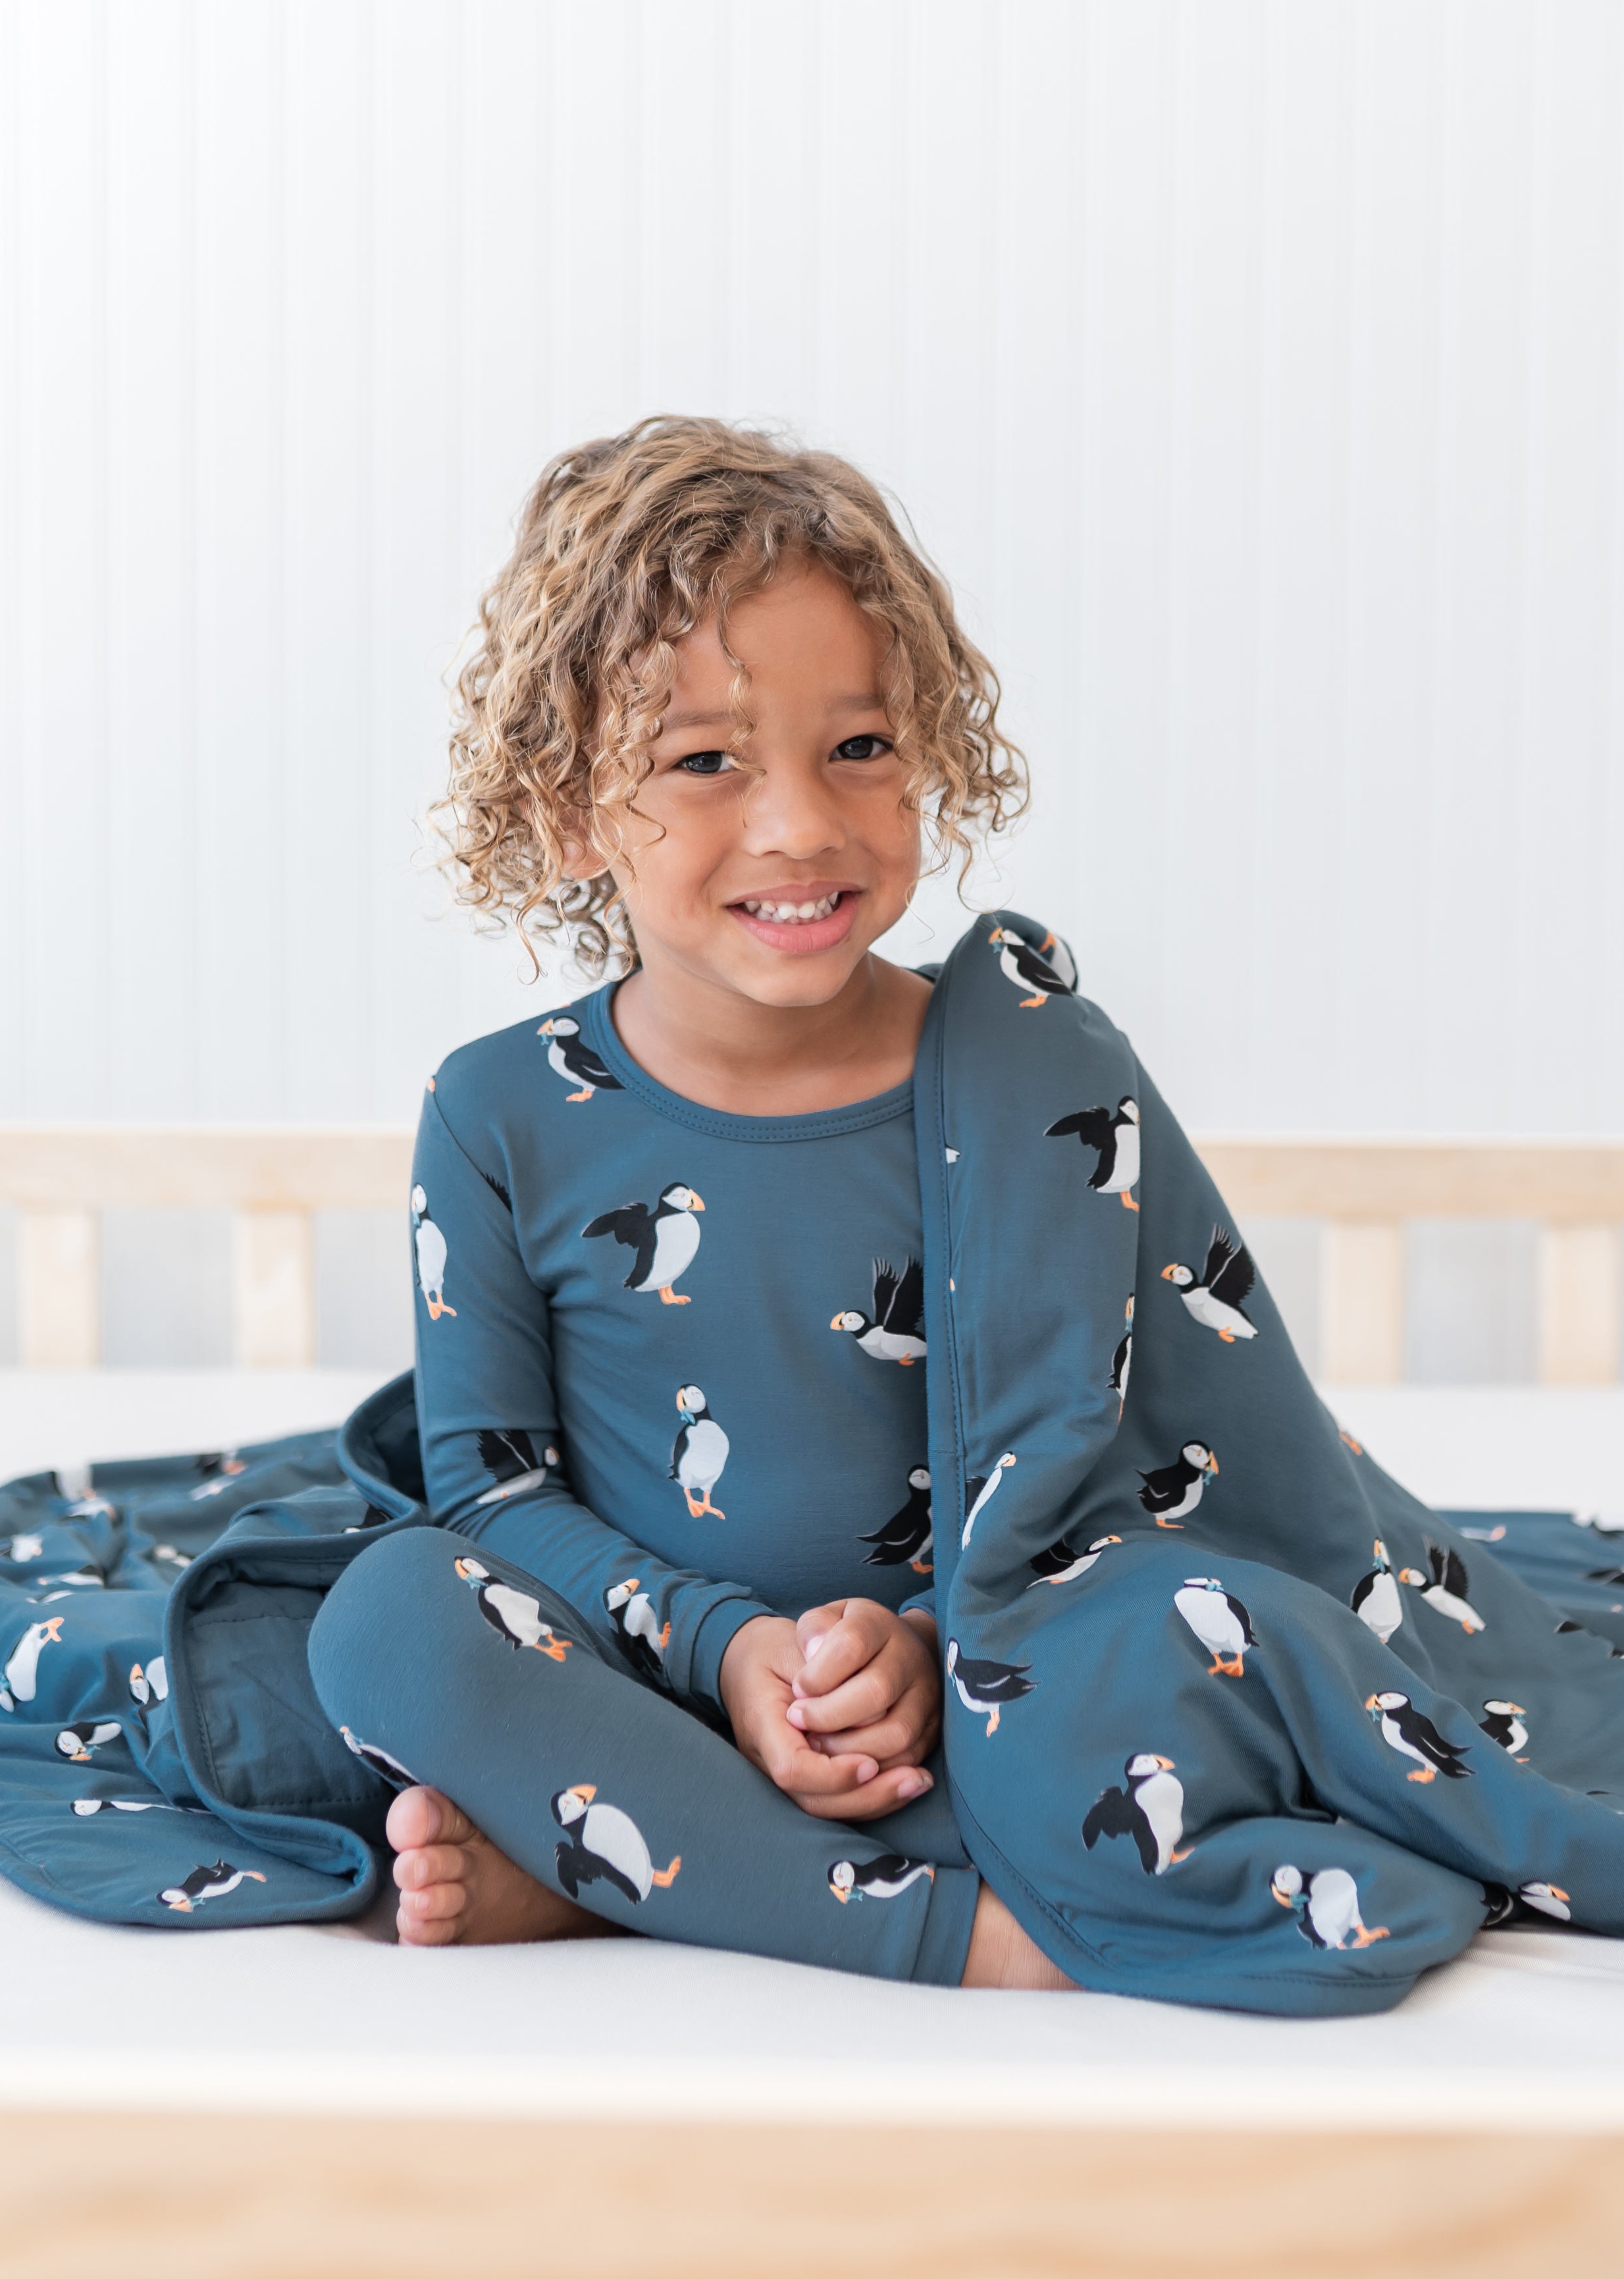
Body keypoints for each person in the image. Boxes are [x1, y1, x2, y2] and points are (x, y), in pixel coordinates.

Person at [307, 415, 1074, 1988]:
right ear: (573, 810)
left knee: (1203, 1640)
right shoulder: (497, 1109)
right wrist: (730, 1651)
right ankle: (948, 1930)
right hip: (650, 1667)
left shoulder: (1017, 1066)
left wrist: (919, 1645)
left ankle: (617, 1865)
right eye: (703, 758)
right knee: (381, 1618)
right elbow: (494, 1494)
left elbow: (1103, 1442)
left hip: (977, 1676)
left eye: (858, 745)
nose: (797, 821)